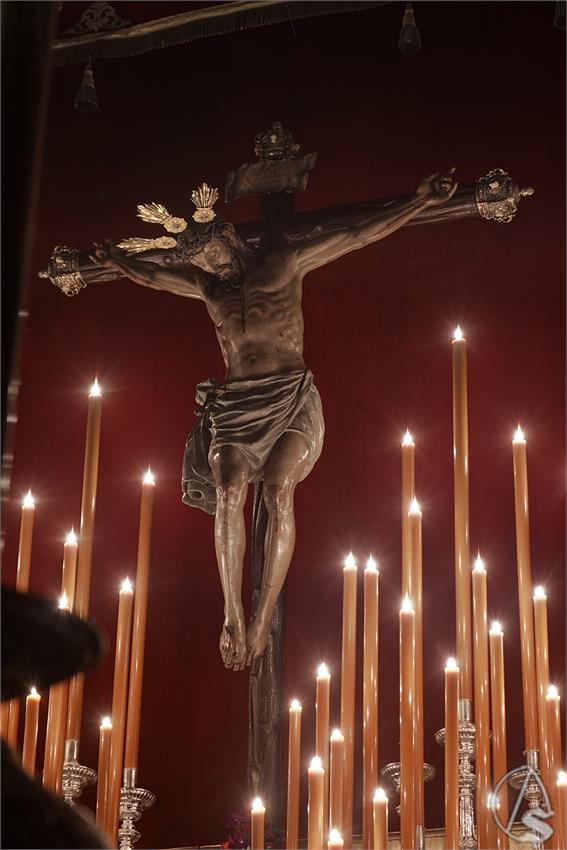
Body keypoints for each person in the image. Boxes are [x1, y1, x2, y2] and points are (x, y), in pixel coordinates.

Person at [91, 169, 457, 671]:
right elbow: (153, 275)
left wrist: (417, 203)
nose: (203, 265)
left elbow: (356, 235)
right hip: (237, 405)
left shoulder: (282, 264)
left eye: (206, 254)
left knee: (279, 489)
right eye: (195, 260)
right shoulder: (209, 289)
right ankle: (232, 612)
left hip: (286, 395)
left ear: (225, 238)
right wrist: (115, 260)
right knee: (227, 491)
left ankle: (262, 616)